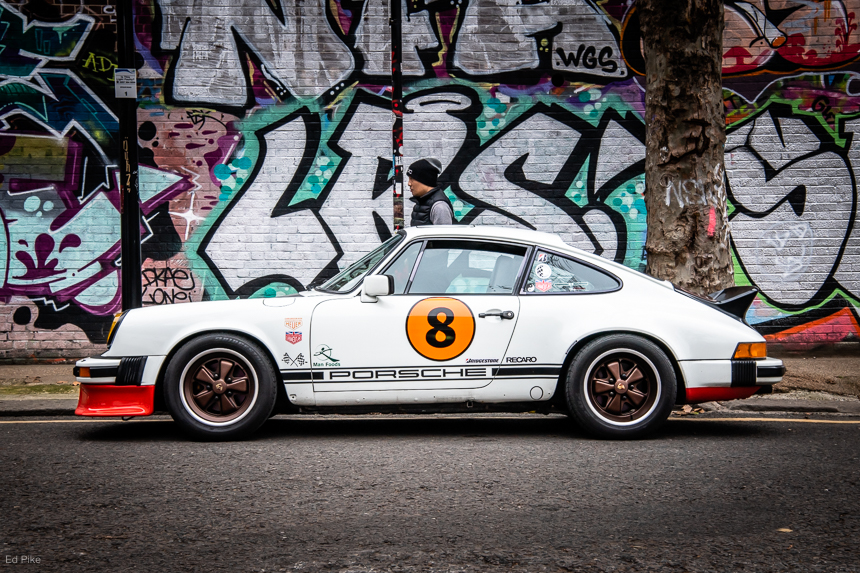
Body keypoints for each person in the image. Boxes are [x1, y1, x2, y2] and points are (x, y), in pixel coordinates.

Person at [407, 158, 454, 226]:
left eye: (412, 179)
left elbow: (444, 233)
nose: (409, 183)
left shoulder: (439, 207)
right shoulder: (422, 201)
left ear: (424, 180)